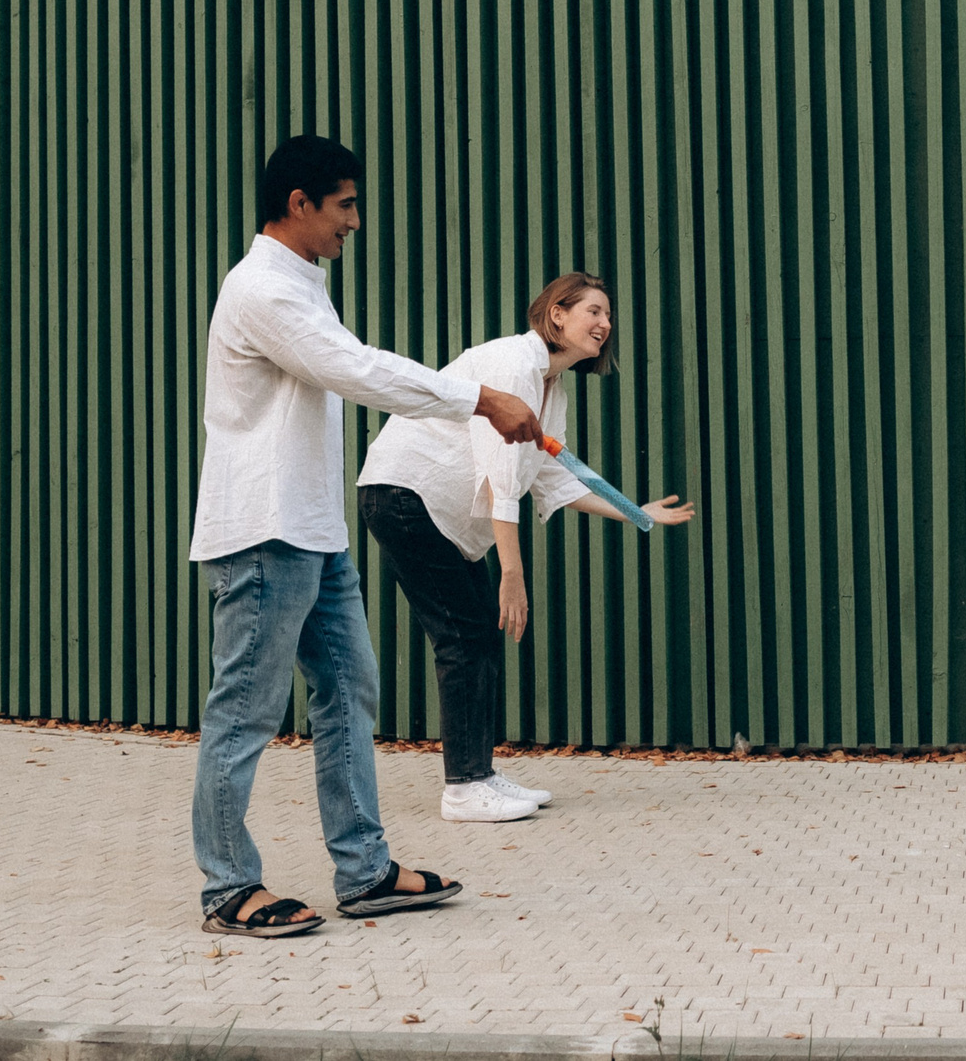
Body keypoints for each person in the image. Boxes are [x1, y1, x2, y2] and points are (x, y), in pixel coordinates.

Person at [189, 135, 544, 936]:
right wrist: (480, 398)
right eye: (344, 205)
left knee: (349, 691)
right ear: (299, 204)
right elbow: (355, 370)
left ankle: (364, 872)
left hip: (314, 531)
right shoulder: (262, 290)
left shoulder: (301, 284)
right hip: (263, 533)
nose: (355, 221)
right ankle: (227, 887)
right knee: (245, 711)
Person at [358, 271, 696, 822]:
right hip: (406, 496)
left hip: (426, 507)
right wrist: (510, 575)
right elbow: (501, 475)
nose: (605, 324)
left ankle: (478, 774)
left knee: (475, 638)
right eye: (593, 311)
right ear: (557, 313)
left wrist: (637, 512)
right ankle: (464, 788)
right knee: (464, 638)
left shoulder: (550, 387)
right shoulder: (515, 364)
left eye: (609, 316)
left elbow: (550, 478)